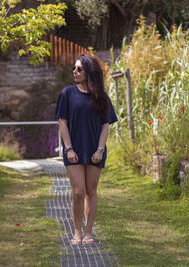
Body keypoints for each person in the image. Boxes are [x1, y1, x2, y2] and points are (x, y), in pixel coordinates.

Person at [55, 54, 118, 245]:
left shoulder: (101, 97)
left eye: (79, 69)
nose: (74, 71)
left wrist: (100, 150)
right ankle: (76, 232)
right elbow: (62, 122)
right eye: (74, 68)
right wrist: (69, 149)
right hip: (73, 150)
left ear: (89, 72)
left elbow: (105, 125)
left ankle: (88, 233)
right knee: (78, 192)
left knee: (91, 191)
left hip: (94, 150)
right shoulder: (67, 94)